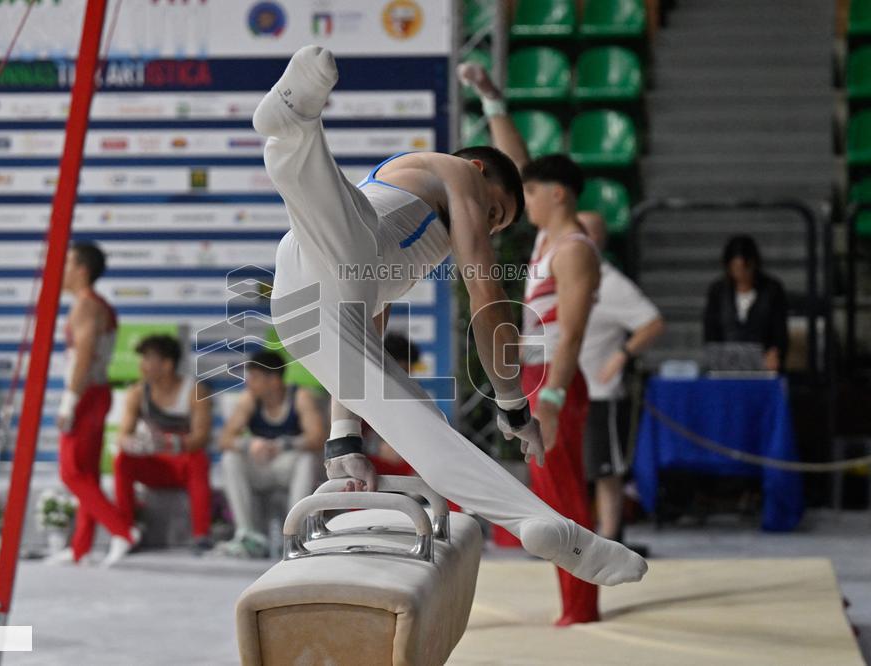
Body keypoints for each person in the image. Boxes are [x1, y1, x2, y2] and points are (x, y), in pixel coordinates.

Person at [251, 45, 645, 590]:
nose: (489, 225)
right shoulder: (455, 171)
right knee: (345, 234)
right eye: (494, 211)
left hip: (307, 313)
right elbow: (486, 293)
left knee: (423, 428)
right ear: (480, 172)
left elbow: (367, 321)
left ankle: (545, 524)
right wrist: (511, 400)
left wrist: (345, 438)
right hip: (342, 251)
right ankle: (293, 129)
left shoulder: (421, 249)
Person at [460, 61, 606, 625]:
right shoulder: (550, 233)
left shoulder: (574, 248)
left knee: (564, 495)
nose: (525, 198)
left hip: (554, 381)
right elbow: (517, 165)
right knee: (548, 495)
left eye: (535, 191)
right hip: (534, 377)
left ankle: (582, 605)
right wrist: (492, 99)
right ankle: (575, 599)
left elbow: (571, 331)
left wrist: (552, 395)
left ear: (560, 195)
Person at [47, 242, 138, 566]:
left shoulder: (86, 306)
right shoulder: (97, 304)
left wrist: (68, 404)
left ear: (82, 270)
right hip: (96, 392)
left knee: (71, 473)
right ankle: (80, 547)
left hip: (86, 394)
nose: (61, 269)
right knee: (86, 473)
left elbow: (83, 357)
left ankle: (123, 531)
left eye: (67, 262)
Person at [577, 212, 665, 545]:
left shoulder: (611, 284)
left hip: (599, 391)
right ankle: (571, 539)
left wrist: (622, 355)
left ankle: (612, 537)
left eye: (588, 231)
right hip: (563, 388)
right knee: (571, 470)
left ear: (600, 239)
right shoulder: (557, 274)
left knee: (605, 470)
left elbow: (652, 323)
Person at [112, 334, 214, 563]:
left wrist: (169, 443)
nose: (142, 366)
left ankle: (201, 534)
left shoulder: (195, 391)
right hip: (155, 464)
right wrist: (133, 444)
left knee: (198, 459)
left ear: (167, 365)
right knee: (123, 460)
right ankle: (126, 531)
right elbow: (123, 434)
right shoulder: (137, 393)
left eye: (148, 359)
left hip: (183, 465)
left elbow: (201, 436)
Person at [217, 350, 326, 558]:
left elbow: (317, 437)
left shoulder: (300, 396)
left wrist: (283, 445)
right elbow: (225, 440)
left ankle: (297, 533)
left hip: (289, 466)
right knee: (230, 458)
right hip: (262, 466)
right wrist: (249, 444)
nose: (249, 383)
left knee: (306, 459)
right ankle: (248, 535)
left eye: (255, 378)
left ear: (274, 380)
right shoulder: (249, 400)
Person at [704, 234, 789, 371]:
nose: (741, 274)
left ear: (754, 264)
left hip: (763, 360)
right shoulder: (718, 291)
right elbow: (711, 331)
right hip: (727, 361)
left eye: (745, 268)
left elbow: (779, 329)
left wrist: (775, 352)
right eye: (736, 268)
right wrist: (716, 358)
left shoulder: (772, 289)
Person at [363, 333, 419, 477]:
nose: (405, 375)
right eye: (402, 370)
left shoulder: (411, 394)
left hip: (404, 463)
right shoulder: (364, 392)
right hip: (366, 462)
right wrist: (378, 449)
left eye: (407, 371)